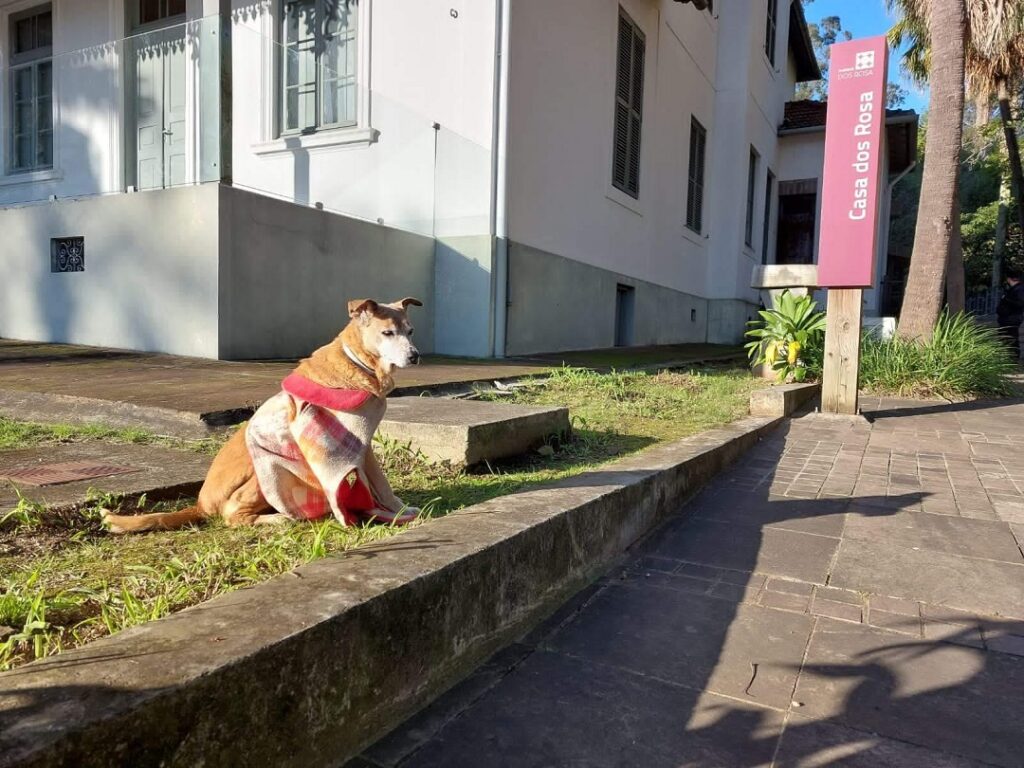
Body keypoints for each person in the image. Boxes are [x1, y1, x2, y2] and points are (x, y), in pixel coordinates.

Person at [996, 267, 1024, 360]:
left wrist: (1006, 299)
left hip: (1012, 318)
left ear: (1009, 279)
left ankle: (1013, 358)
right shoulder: (1014, 289)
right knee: (1006, 338)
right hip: (1007, 318)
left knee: (1011, 338)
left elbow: (1019, 303)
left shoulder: (1019, 289)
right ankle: (1009, 357)